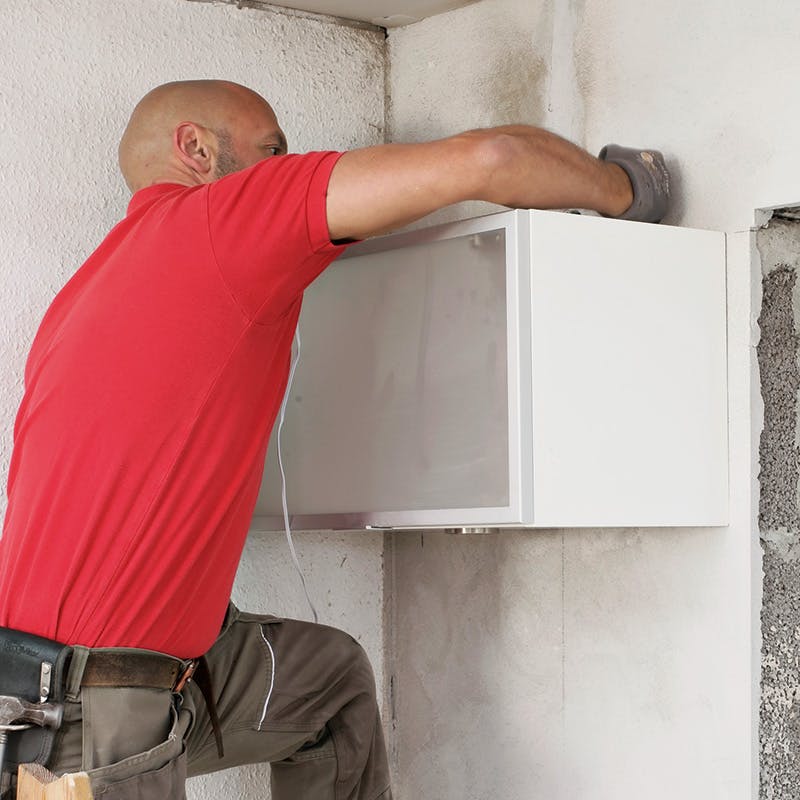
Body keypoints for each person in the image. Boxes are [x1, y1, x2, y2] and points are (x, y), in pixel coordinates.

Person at [0, 79, 669, 799]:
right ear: (196, 149)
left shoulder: (94, 283)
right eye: (273, 150)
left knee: (326, 684)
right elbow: (493, 156)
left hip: (106, 672)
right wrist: (626, 188)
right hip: (83, 710)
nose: (288, 164)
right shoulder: (219, 221)